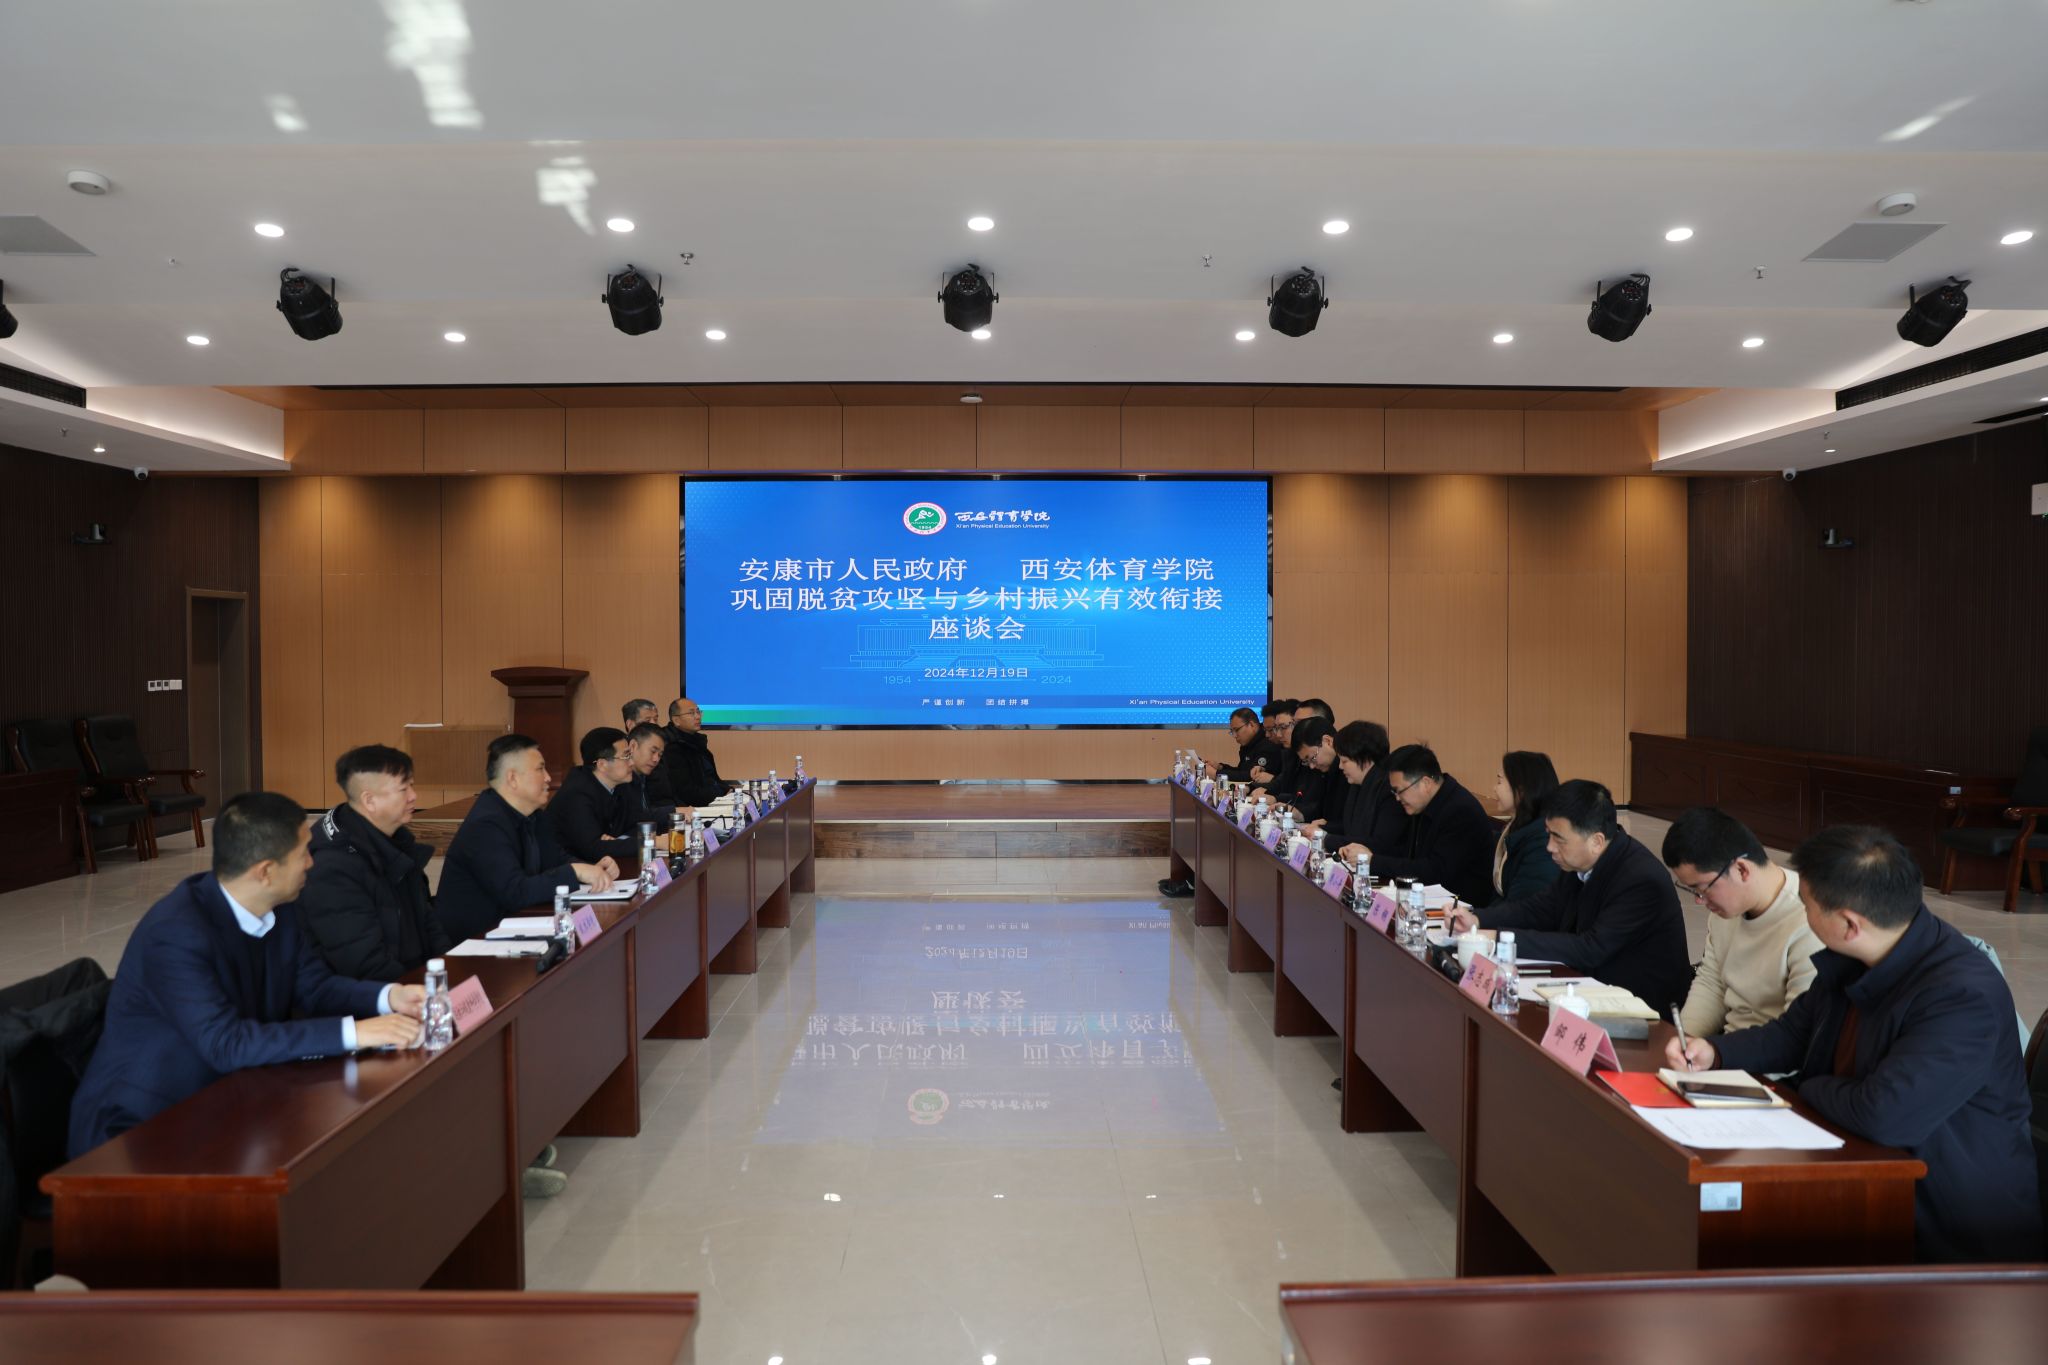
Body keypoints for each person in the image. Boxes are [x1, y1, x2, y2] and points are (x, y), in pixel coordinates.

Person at [1667, 826, 2041, 1263]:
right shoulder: (1858, 954)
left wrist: (1807, 1086)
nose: (1803, 913)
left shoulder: (1961, 995)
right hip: (1863, 1174)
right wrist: (1717, 1052)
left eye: (1807, 905)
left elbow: (1883, 1115)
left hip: (1949, 1228)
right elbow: (1794, 1033)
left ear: (1849, 923)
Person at [68, 792, 423, 1157]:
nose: (311, 863)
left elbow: (314, 987)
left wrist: (388, 996)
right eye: (303, 853)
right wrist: (354, 1032)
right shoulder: (175, 933)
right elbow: (226, 1043)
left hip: (229, 1096)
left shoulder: (279, 906)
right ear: (265, 871)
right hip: (140, 1127)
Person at [1450, 780, 1690, 1011]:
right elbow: (1542, 908)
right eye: (1549, 834)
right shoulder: (1581, 861)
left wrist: (1499, 939)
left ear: (1596, 841)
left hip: (1640, 1007)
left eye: (1559, 839)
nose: (1549, 847)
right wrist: (1478, 920)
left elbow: (1590, 948)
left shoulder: (1640, 879)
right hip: (1590, 986)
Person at [436, 734, 618, 943]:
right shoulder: (485, 825)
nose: (548, 778)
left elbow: (556, 860)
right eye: (540, 769)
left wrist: (593, 869)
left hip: (515, 930)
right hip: (474, 944)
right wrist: (576, 871)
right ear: (513, 778)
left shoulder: (533, 815)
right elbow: (516, 892)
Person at [1662, 806, 1822, 1038]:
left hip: (1770, 1055)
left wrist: (1717, 1052)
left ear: (1741, 869)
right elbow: (1711, 985)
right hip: (1726, 1047)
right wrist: (1685, 1041)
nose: (1699, 900)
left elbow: (1795, 1034)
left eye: (1702, 889)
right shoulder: (1725, 912)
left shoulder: (1811, 921)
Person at [299, 743, 453, 980]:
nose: (413, 796)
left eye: (412, 785)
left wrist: (448, 971)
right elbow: (362, 963)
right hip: (374, 994)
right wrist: (416, 991)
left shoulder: (397, 843)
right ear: (369, 800)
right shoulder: (332, 867)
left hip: (417, 983)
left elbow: (429, 924)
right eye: (403, 789)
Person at [1366, 744, 1499, 908]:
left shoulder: (1460, 811)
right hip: (1429, 899)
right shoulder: (1423, 804)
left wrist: (1374, 862)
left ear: (1426, 783)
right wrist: (1369, 856)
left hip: (1460, 909)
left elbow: (1434, 871)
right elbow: (1407, 854)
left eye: (1399, 791)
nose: (1397, 798)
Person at [546, 727, 643, 865]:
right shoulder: (577, 794)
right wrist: (650, 842)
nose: (632, 762)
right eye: (626, 756)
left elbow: (634, 822)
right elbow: (593, 849)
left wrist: (615, 843)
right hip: (566, 871)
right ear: (602, 764)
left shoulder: (619, 786)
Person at [1328, 720, 1408, 864]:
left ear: (1365, 759)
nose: (1340, 767)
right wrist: (1323, 830)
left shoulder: (1389, 788)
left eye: (1344, 761)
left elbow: (1381, 844)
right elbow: (1350, 830)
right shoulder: (1358, 783)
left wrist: (1326, 839)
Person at [1491, 750, 1562, 902]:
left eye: (1499, 781)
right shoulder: (1517, 827)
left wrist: (1478, 915)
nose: (1494, 788)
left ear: (1521, 790)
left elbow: (1522, 906)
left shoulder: (1543, 843)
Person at [659, 697, 736, 807]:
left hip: (711, 800)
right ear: (676, 720)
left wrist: (729, 790)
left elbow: (713, 779)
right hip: (693, 809)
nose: (698, 717)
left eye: (698, 712)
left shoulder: (697, 742)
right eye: (691, 713)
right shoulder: (672, 747)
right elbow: (687, 792)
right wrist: (721, 796)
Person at [621, 721, 689, 832]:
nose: (656, 759)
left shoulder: (641, 777)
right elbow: (632, 820)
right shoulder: (620, 779)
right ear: (633, 746)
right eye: (653, 751)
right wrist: (673, 811)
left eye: (660, 755)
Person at [1284, 716, 1344, 825]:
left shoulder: (1349, 772)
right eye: (1306, 762)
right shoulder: (1326, 770)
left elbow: (1348, 823)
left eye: (1312, 758)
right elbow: (1322, 809)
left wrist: (1325, 828)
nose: (1311, 766)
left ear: (1328, 741)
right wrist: (1301, 814)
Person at [1207, 707, 1285, 783]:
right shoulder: (1248, 743)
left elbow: (1252, 776)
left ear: (1251, 725)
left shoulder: (1269, 742)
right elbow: (1242, 771)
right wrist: (1220, 767)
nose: (1234, 735)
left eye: (1237, 730)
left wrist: (1216, 774)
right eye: (1232, 731)